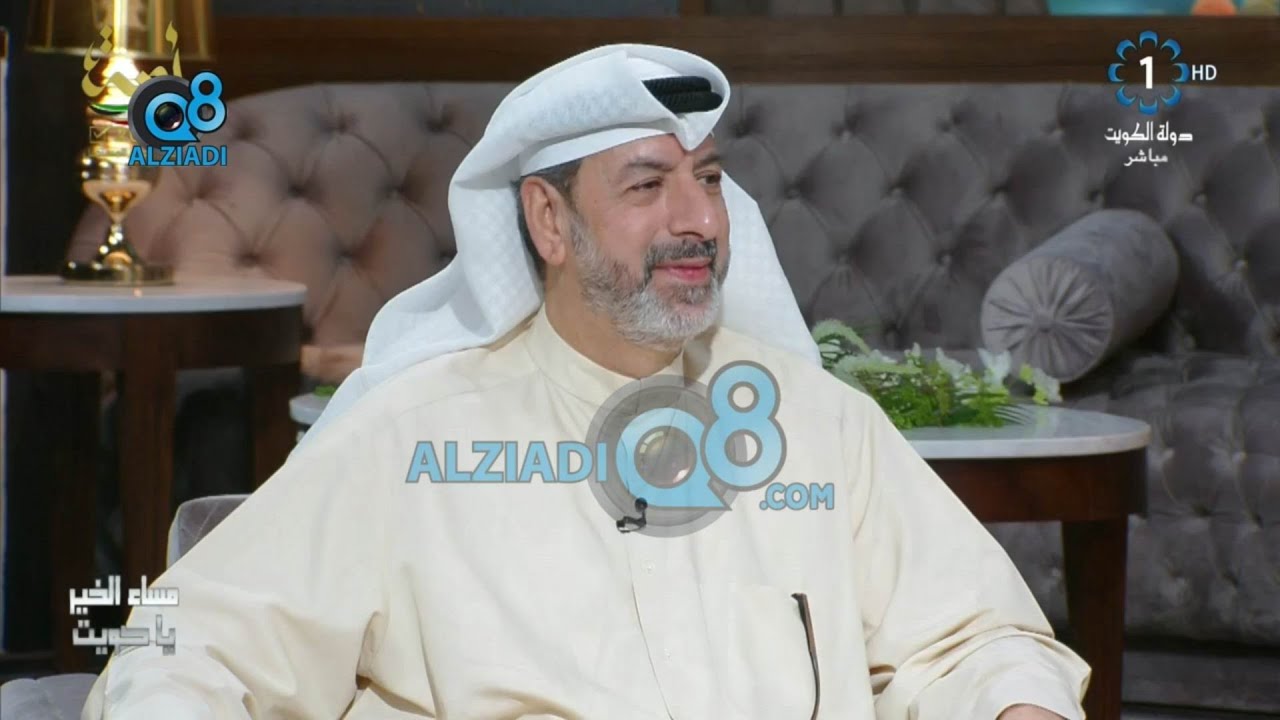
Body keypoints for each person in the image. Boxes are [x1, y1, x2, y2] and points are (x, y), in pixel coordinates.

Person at [82, 44, 1090, 719]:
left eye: (707, 179)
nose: (697, 220)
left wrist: (1015, 703)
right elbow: (189, 645)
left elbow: (973, 639)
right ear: (547, 222)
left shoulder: (819, 425)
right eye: (647, 185)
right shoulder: (412, 437)